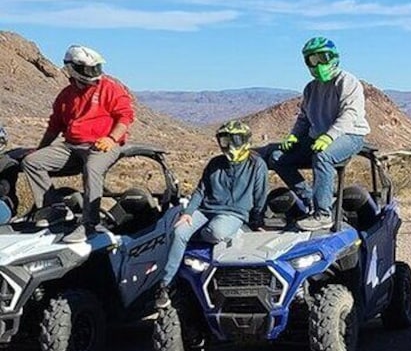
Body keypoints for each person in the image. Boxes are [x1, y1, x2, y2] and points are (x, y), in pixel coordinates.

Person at [21, 45, 135, 242]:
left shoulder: (110, 88)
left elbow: (124, 117)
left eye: (95, 68)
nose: (93, 74)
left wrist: (111, 138)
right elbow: (54, 126)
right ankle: (56, 208)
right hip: (71, 145)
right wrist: (40, 149)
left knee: (92, 168)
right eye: (88, 69)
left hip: (101, 145)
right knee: (32, 162)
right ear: (73, 68)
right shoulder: (66, 95)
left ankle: (89, 224)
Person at [156, 120, 268, 308]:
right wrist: (189, 212)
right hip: (206, 209)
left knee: (216, 232)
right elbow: (200, 191)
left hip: (234, 213)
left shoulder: (257, 165)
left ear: (245, 140)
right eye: (225, 140)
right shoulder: (215, 163)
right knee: (179, 231)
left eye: (235, 140)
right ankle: (166, 285)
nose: (230, 145)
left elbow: (260, 195)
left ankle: (238, 229)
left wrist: (257, 222)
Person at [270, 37, 370, 231]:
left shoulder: (347, 82)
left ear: (333, 57)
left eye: (321, 58)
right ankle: (310, 198)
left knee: (323, 157)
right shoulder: (311, 88)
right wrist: (294, 136)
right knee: (277, 157)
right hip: (318, 136)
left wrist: (329, 136)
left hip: (349, 135)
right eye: (312, 60)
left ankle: (323, 214)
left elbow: (350, 114)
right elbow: (304, 118)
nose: (318, 65)